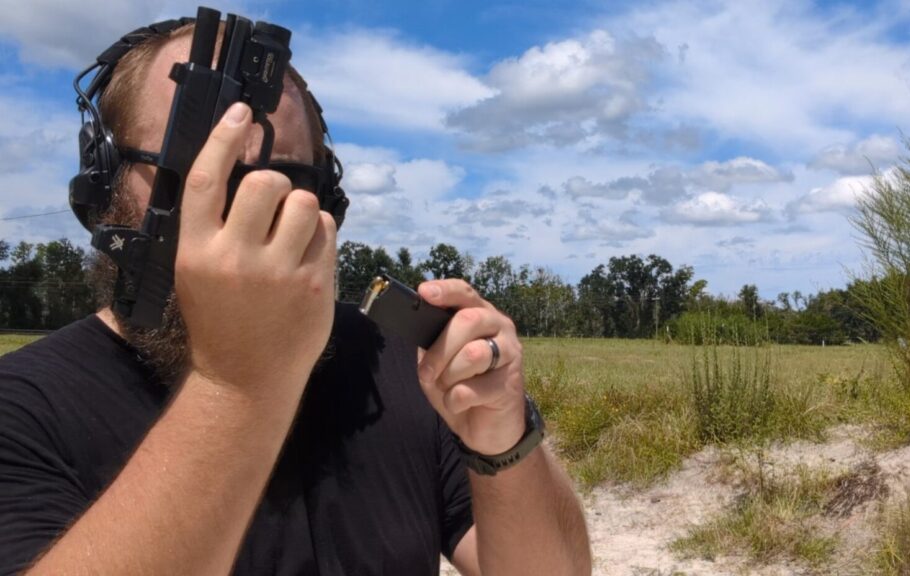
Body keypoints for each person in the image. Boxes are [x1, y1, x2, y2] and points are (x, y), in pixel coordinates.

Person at [0, 15, 591, 576]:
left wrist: (503, 444)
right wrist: (235, 384)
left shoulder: (391, 367)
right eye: (195, 170)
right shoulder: (22, 408)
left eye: (286, 177)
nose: (249, 205)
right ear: (103, 184)